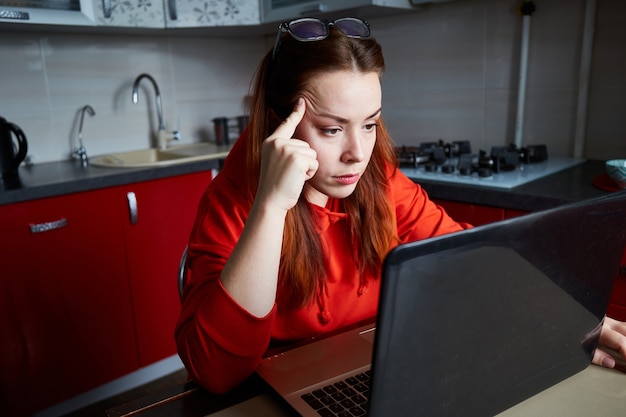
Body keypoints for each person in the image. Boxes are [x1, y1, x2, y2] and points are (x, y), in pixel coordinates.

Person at [175, 17, 626, 394]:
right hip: (275, 393)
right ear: (279, 123)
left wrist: (566, 313)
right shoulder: (234, 199)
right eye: (332, 129)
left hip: (381, 375)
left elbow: (470, 253)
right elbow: (216, 373)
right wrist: (271, 208)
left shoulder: (378, 179)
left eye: (369, 124)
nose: (358, 152)